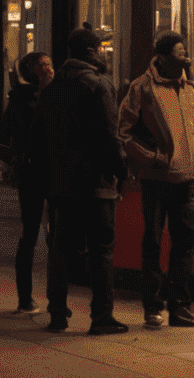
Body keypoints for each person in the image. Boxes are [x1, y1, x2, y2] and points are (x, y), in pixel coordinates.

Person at [40, 26, 129, 336]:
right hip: (95, 184)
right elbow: (110, 136)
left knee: (60, 248)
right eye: (100, 48)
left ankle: (57, 313)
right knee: (101, 250)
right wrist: (120, 171)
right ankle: (102, 315)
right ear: (90, 52)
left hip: (62, 183)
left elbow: (41, 138)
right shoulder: (98, 86)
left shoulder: (52, 88)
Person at [119, 31, 194, 329]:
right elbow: (124, 132)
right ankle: (152, 306)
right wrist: (154, 158)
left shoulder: (191, 90)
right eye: (180, 51)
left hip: (188, 178)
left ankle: (181, 307)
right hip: (156, 178)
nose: (186, 56)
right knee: (154, 242)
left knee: (186, 242)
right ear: (162, 56)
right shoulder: (142, 88)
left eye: (185, 51)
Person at [0, 51, 54, 314]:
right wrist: (19, 161)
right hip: (32, 174)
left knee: (56, 236)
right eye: (43, 66)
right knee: (30, 234)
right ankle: (25, 297)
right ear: (31, 71)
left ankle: (57, 298)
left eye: (50, 64)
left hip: (54, 172)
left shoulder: (59, 94)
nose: (48, 69)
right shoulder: (20, 100)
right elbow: (1, 142)